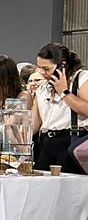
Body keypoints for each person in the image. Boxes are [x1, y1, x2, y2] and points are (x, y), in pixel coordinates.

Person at [31, 43, 88, 174]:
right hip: (46, 143)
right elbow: (35, 123)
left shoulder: (81, 78)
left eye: (46, 69)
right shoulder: (43, 87)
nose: (41, 73)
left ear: (62, 65)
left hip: (71, 141)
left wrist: (64, 92)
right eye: (39, 68)